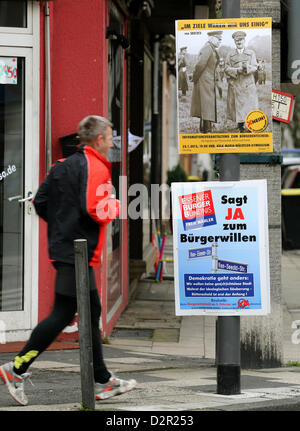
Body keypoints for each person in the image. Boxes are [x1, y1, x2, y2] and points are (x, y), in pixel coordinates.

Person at [0, 115, 136, 406]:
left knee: (89, 310)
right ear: (98, 139)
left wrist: (62, 229)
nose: (112, 143)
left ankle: (104, 378)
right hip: (78, 253)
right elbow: (94, 207)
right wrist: (115, 206)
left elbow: (41, 201)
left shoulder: (62, 166)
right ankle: (17, 368)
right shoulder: (97, 165)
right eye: (111, 138)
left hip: (66, 251)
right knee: (63, 315)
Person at [225, 31, 258, 132]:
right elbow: (226, 68)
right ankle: (240, 126)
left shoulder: (251, 53)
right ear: (234, 41)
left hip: (248, 84)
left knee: (250, 106)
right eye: (237, 40)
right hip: (236, 84)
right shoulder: (230, 54)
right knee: (237, 106)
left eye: (241, 40)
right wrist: (236, 70)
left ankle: (251, 127)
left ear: (244, 40)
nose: (239, 42)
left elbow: (255, 67)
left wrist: (247, 68)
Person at [190, 31, 223, 133]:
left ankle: (205, 128)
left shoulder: (211, 49)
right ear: (211, 38)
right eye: (218, 39)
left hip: (208, 80)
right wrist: (195, 78)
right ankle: (207, 129)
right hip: (205, 80)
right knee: (206, 104)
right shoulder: (207, 48)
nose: (220, 42)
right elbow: (200, 65)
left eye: (220, 39)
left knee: (206, 105)